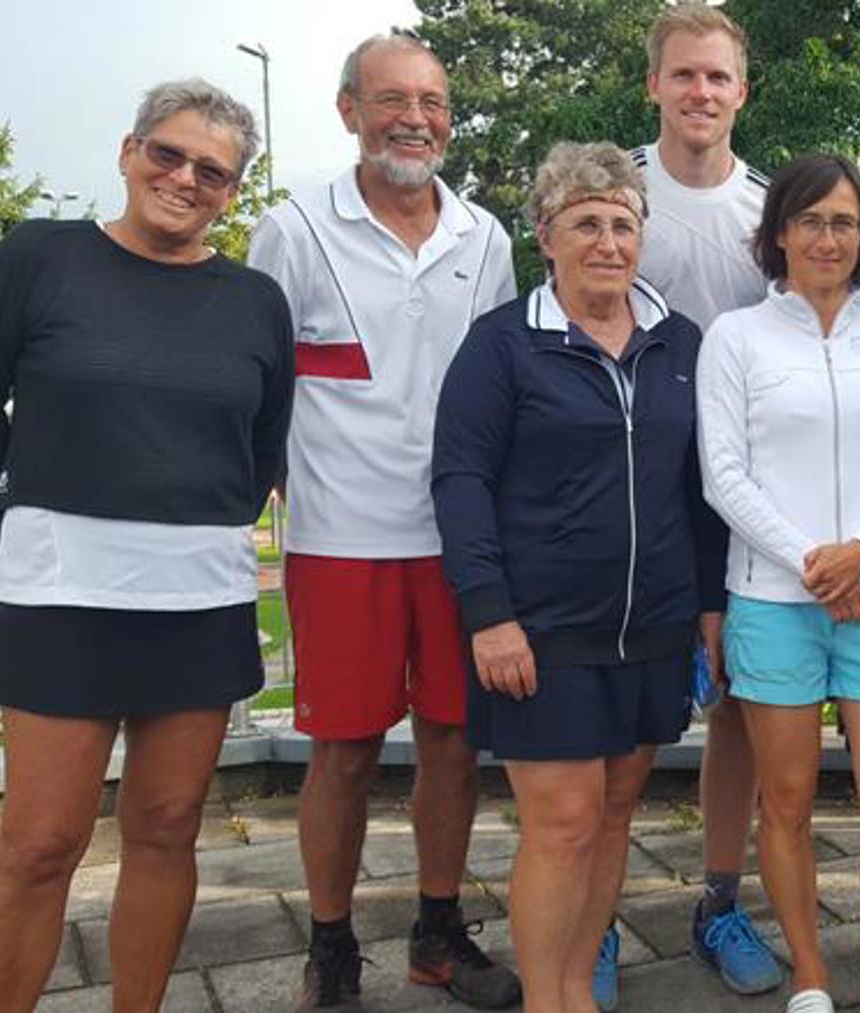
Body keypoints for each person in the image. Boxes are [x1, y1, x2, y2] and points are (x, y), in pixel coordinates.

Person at [0, 79, 293, 1011]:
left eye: (213, 170)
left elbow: (263, 448)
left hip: (197, 596)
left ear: (231, 193)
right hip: (59, 592)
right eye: (168, 153)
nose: (185, 178)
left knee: (167, 827)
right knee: (40, 843)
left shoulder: (255, 301)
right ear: (129, 153)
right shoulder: (40, 256)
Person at [246, 33, 520, 1010]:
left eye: (432, 101)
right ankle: (331, 947)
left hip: (458, 538)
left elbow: (501, 387)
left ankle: (438, 934)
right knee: (346, 751)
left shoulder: (484, 237)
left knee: (453, 740)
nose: (415, 118)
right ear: (349, 110)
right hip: (341, 540)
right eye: (392, 99)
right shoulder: (291, 230)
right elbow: (261, 386)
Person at [433, 140, 727, 1013]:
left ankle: (575, 993)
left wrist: (710, 606)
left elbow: (701, 488)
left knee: (613, 815)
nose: (608, 241)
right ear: (546, 236)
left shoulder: (680, 341)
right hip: (542, 629)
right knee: (562, 823)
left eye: (623, 224)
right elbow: (460, 480)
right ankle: (546, 1000)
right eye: (586, 223)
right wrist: (488, 613)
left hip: (654, 626)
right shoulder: (503, 345)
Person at [696, 153, 860, 1013]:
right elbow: (724, 474)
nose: (827, 238)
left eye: (844, 222)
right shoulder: (736, 338)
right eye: (810, 221)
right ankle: (809, 976)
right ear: (779, 234)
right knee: (788, 802)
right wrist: (817, 562)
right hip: (773, 602)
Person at [592, 5, 783, 1005]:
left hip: (741, 494)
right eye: (684, 74)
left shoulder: (770, 207)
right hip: (629, 492)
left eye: (718, 76)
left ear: (742, 91)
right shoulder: (615, 192)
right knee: (616, 717)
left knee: (737, 704)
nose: (701, 92)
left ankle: (718, 900)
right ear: (654, 85)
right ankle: (594, 917)